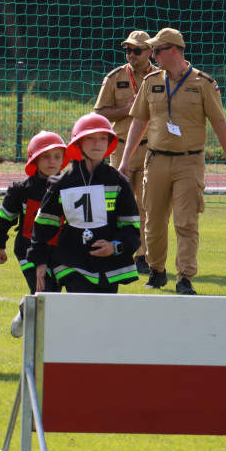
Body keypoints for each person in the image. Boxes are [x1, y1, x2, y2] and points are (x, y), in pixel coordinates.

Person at [118, 28, 226, 296]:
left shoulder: (203, 83)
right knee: (153, 222)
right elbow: (139, 121)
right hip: (156, 160)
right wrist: (126, 158)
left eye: (157, 50)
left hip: (190, 162)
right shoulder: (151, 82)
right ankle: (157, 270)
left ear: (173, 50)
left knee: (186, 222)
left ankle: (184, 277)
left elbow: (220, 124)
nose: (153, 55)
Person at [29, 113, 140, 294]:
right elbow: (42, 227)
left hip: (109, 267)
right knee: (82, 309)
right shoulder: (61, 184)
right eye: (90, 138)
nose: (97, 142)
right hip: (71, 263)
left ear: (109, 143)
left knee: (102, 317)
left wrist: (114, 246)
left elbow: (132, 229)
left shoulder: (119, 182)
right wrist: (40, 262)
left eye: (103, 138)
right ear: (78, 143)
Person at [0, 131, 68, 337]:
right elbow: (4, 220)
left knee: (54, 296)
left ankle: (26, 307)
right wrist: (0, 246)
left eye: (57, 156)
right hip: (28, 250)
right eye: (46, 156)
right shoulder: (21, 190)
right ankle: (32, 320)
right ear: (34, 159)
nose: (52, 161)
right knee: (46, 293)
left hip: (59, 251)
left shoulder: (70, 187)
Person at [94, 30, 157, 275]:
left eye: (137, 50)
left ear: (150, 52)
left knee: (146, 205)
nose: (131, 54)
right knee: (117, 203)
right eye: (128, 50)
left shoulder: (161, 76)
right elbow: (98, 113)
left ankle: (142, 256)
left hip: (152, 148)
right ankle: (116, 251)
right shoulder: (115, 77)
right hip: (120, 148)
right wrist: (125, 109)